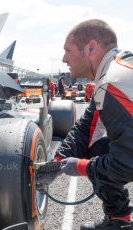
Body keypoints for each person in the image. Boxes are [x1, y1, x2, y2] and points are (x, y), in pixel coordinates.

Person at [38, 19, 133, 229]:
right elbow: (86, 128)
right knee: (97, 148)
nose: (64, 58)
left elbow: (128, 163)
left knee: (104, 160)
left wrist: (81, 166)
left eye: (68, 51)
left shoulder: (113, 83)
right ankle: (119, 220)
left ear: (91, 48)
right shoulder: (115, 71)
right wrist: (57, 161)